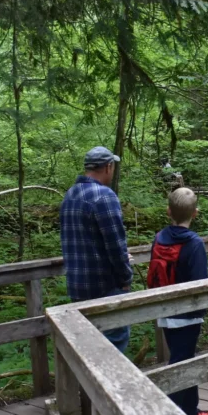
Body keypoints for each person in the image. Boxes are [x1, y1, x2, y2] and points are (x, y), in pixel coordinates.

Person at [147, 188, 208, 415]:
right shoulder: (194, 243)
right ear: (196, 213)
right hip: (188, 314)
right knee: (182, 362)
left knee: (183, 358)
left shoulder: (159, 238)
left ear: (168, 211)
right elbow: (201, 281)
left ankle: (191, 412)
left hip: (165, 310)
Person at [60, 147, 134, 352]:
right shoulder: (104, 197)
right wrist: (126, 279)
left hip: (77, 288)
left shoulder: (70, 195)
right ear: (108, 167)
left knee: (88, 351)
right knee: (112, 351)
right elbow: (116, 246)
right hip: (105, 288)